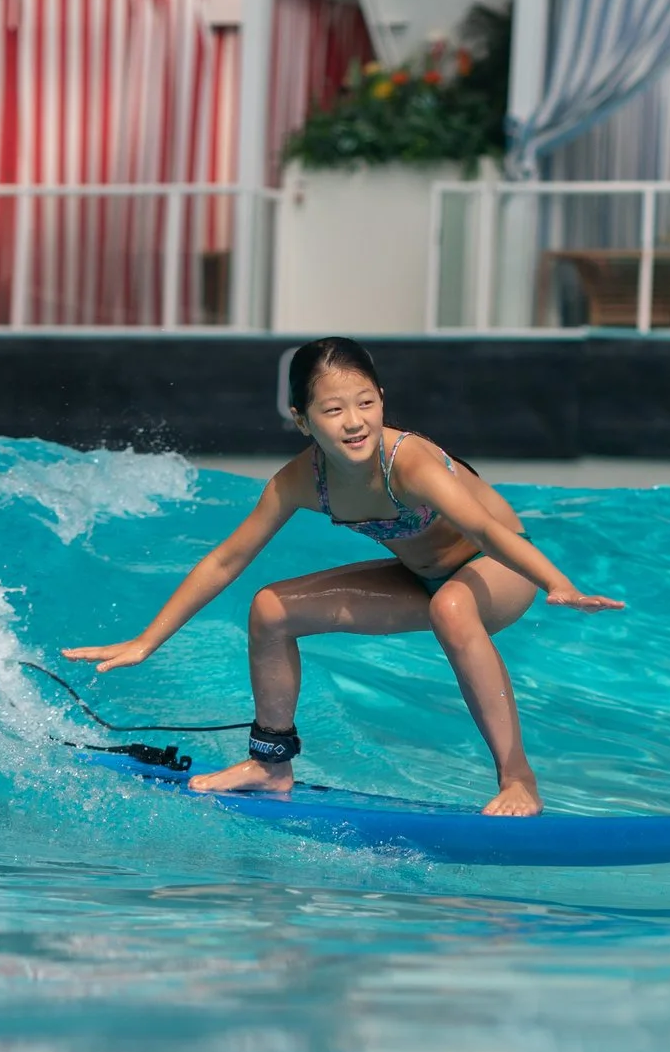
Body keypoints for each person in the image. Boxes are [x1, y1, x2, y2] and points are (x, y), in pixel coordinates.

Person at [63, 337, 624, 816]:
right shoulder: (301, 480)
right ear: (302, 420)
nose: (354, 421)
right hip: (418, 578)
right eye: (333, 410)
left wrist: (557, 583)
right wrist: (148, 640)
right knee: (271, 608)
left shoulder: (409, 462)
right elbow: (226, 560)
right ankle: (270, 764)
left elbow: (485, 529)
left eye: (366, 403)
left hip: (499, 570)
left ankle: (518, 779)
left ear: (382, 401)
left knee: (451, 607)